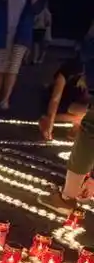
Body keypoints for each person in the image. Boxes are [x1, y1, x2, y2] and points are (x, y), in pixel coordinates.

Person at [38, 67, 94, 215]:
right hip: (69, 106)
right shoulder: (68, 72)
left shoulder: (84, 63)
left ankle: (67, 199)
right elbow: (55, 99)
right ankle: (74, 192)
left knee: (90, 129)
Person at [39, 57, 89, 140]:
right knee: (87, 114)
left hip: (76, 103)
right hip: (63, 101)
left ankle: (77, 122)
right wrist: (50, 123)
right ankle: (48, 119)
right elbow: (55, 99)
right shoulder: (66, 73)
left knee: (86, 113)